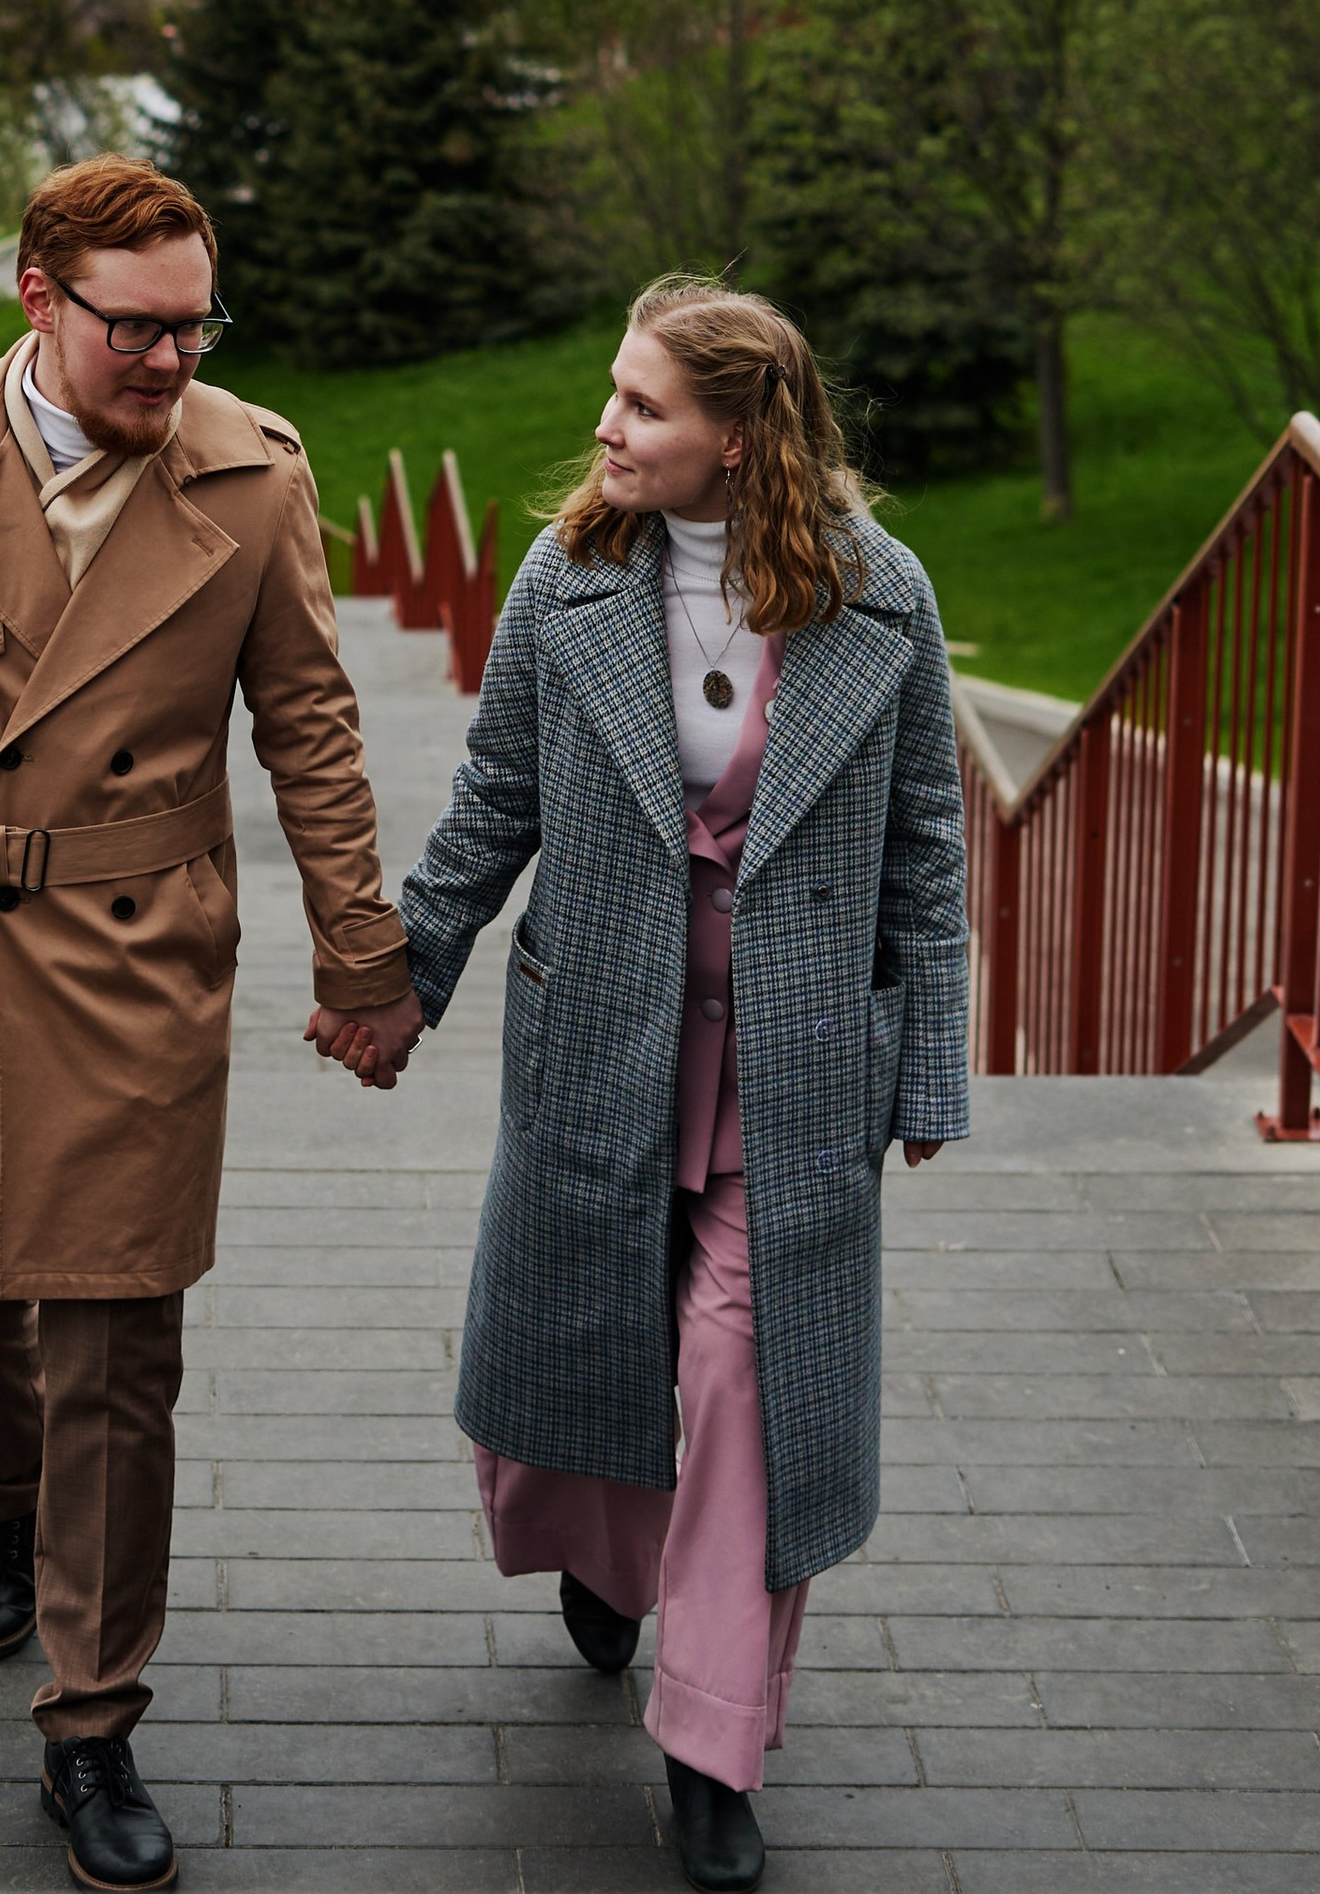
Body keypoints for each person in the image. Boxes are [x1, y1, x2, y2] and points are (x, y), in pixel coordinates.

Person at [0, 156, 421, 1894]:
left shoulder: (254, 478)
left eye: (197, 326)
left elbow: (316, 733)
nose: (173, 362)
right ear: (41, 303)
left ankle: (95, 1715)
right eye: (139, 329)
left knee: (118, 1343)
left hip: (139, 959)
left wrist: (364, 958)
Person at [377, 277, 969, 1890]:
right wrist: (402, 979)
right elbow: (494, 800)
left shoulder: (881, 600)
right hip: (603, 1031)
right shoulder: (566, 580)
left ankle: (714, 1742)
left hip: (791, 1067)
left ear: (739, 435)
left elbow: (926, 842)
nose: (606, 424)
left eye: (643, 404)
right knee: (591, 1335)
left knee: (744, 1377)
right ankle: (607, 1560)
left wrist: (928, 1065)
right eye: (614, 394)